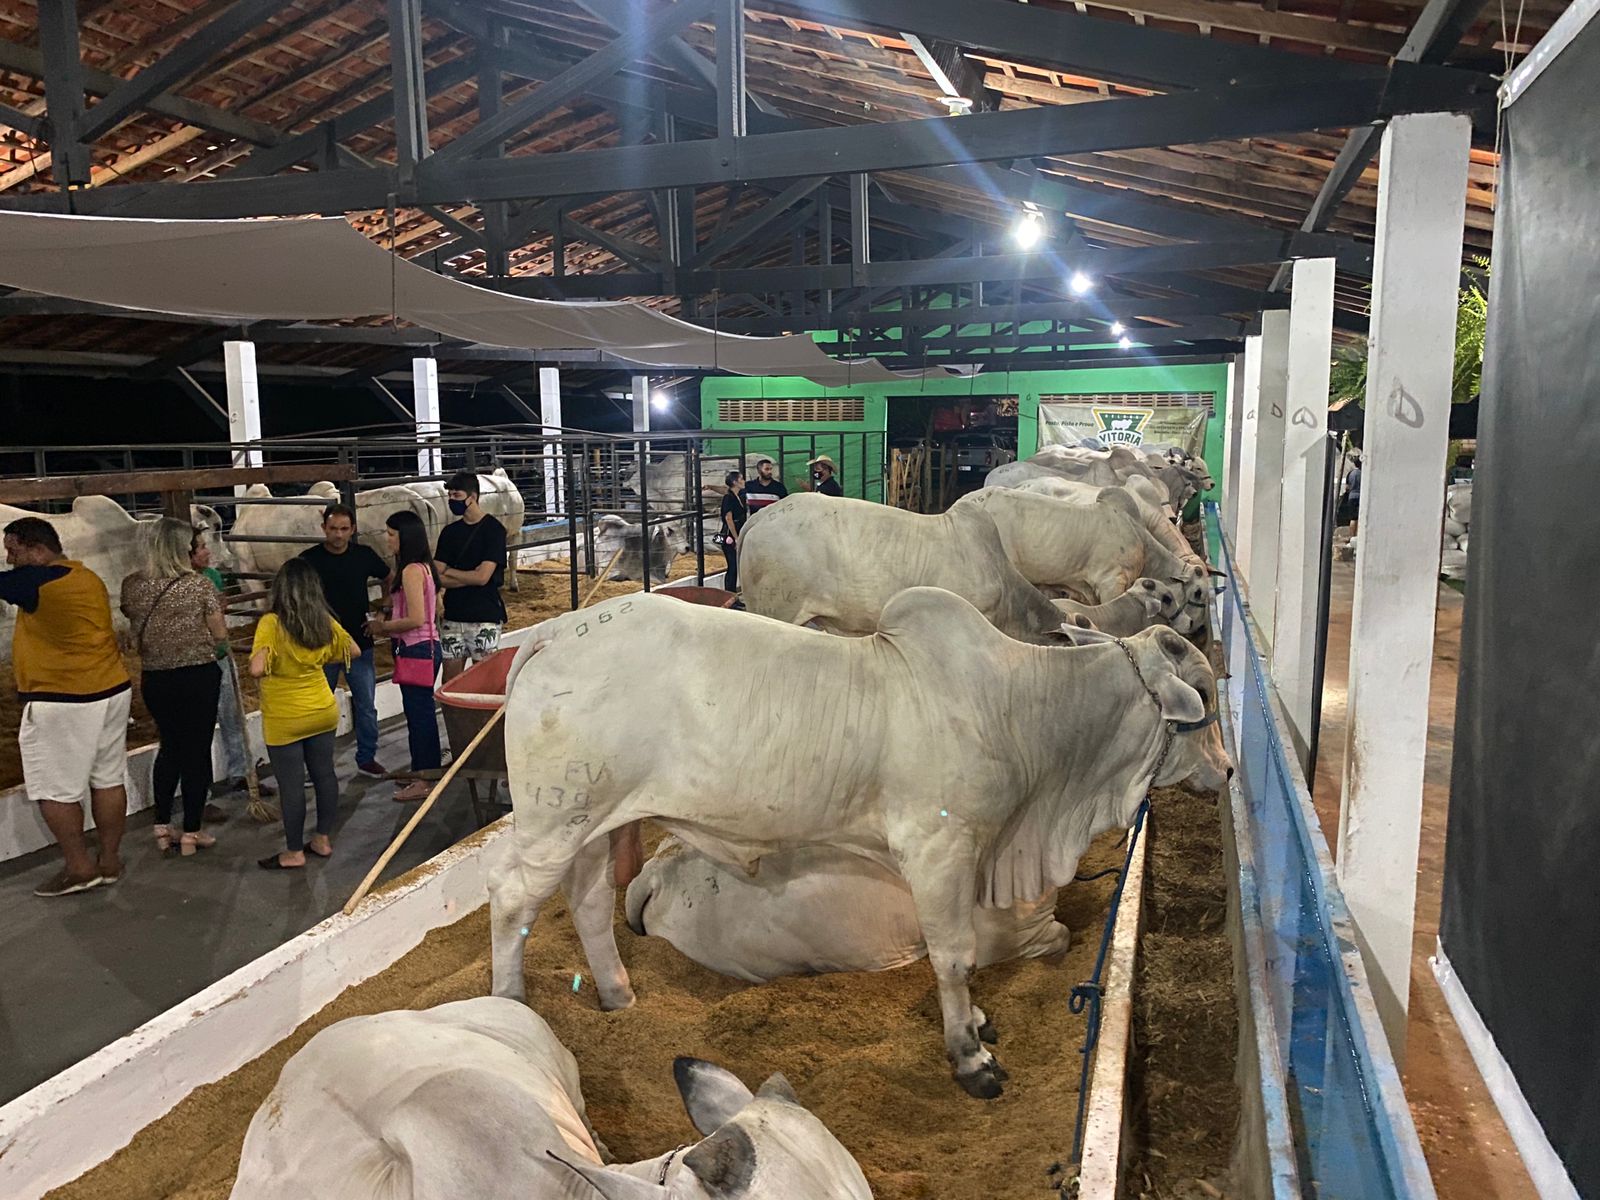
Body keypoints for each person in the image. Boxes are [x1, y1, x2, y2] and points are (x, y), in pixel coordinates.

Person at [1, 518, 132, 896]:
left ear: (38, 550)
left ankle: (78, 867)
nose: (10, 559)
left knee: (55, 788)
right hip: (110, 688)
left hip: (64, 698)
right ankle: (109, 860)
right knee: (108, 778)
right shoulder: (85, 576)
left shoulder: (40, 582)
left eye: (14, 550)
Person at [121, 518, 228, 857]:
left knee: (170, 748)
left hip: (156, 678)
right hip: (198, 675)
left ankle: (162, 826)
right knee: (197, 752)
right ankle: (192, 831)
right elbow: (220, 633)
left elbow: (132, 620)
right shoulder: (198, 586)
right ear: (183, 549)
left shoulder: (132, 585)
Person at [251, 558, 357, 871]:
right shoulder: (323, 619)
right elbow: (353, 650)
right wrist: (322, 656)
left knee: (292, 785)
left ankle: (294, 851)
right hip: (322, 709)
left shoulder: (271, 623)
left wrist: (273, 658)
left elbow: (257, 667)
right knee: (325, 774)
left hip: (285, 717)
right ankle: (322, 838)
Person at [300, 504, 390, 777]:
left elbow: (388, 576)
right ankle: (317, 765)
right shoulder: (309, 560)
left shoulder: (363, 555)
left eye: (343, 529)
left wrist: (383, 608)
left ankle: (366, 757)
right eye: (333, 529)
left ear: (352, 530)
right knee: (318, 708)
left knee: (365, 705)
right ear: (323, 529)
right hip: (323, 644)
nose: (338, 535)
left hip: (359, 641)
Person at [191, 534, 270, 813]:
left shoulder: (212, 575)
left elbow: (220, 605)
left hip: (220, 651)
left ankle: (240, 771)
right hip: (197, 656)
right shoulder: (185, 584)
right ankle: (200, 791)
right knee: (197, 723)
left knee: (232, 714)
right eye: (200, 547)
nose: (207, 551)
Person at [368, 511, 442, 804]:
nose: (386, 539)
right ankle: (422, 771)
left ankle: (426, 778)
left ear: (405, 536)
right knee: (418, 713)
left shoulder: (412, 570)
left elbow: (417, 618)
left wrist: (381, 627)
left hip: (416, 647)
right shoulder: (421, 567)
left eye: (391, 533)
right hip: (422, 647)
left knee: (420, 715)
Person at [433, 470, 507, 683]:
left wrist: (449, 572)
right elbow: (437, 574)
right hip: (453, 615)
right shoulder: (449, 532)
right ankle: (454, 717)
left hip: (484, 616)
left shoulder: (493, 530)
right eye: (450, 496)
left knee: (486, 680)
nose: (451, 501)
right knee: (450, 681)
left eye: (456, 496)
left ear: (472, 497)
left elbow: (483, 577)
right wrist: (467, 576)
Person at [717, 470, 748, 591]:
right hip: (730, 536)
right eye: (741, 479)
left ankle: (732, 594)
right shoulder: (729, 498)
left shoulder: (737, 496)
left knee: (735, 566)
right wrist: (736, 537)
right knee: (732, 567)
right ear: (735, 482)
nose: (744, 481)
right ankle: (730, 593)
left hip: (736, 533)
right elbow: (728, 519)